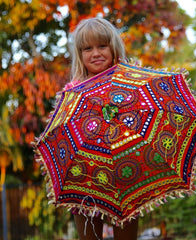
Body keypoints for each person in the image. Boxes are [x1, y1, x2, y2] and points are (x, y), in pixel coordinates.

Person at [66, 17, 139, 240]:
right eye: (87, 48)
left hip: (126, 172)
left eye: (102, 45)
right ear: (80, 54)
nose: (95, 53)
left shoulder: (129, 82)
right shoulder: (73, 92)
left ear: (113, 47)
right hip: (85, 177)